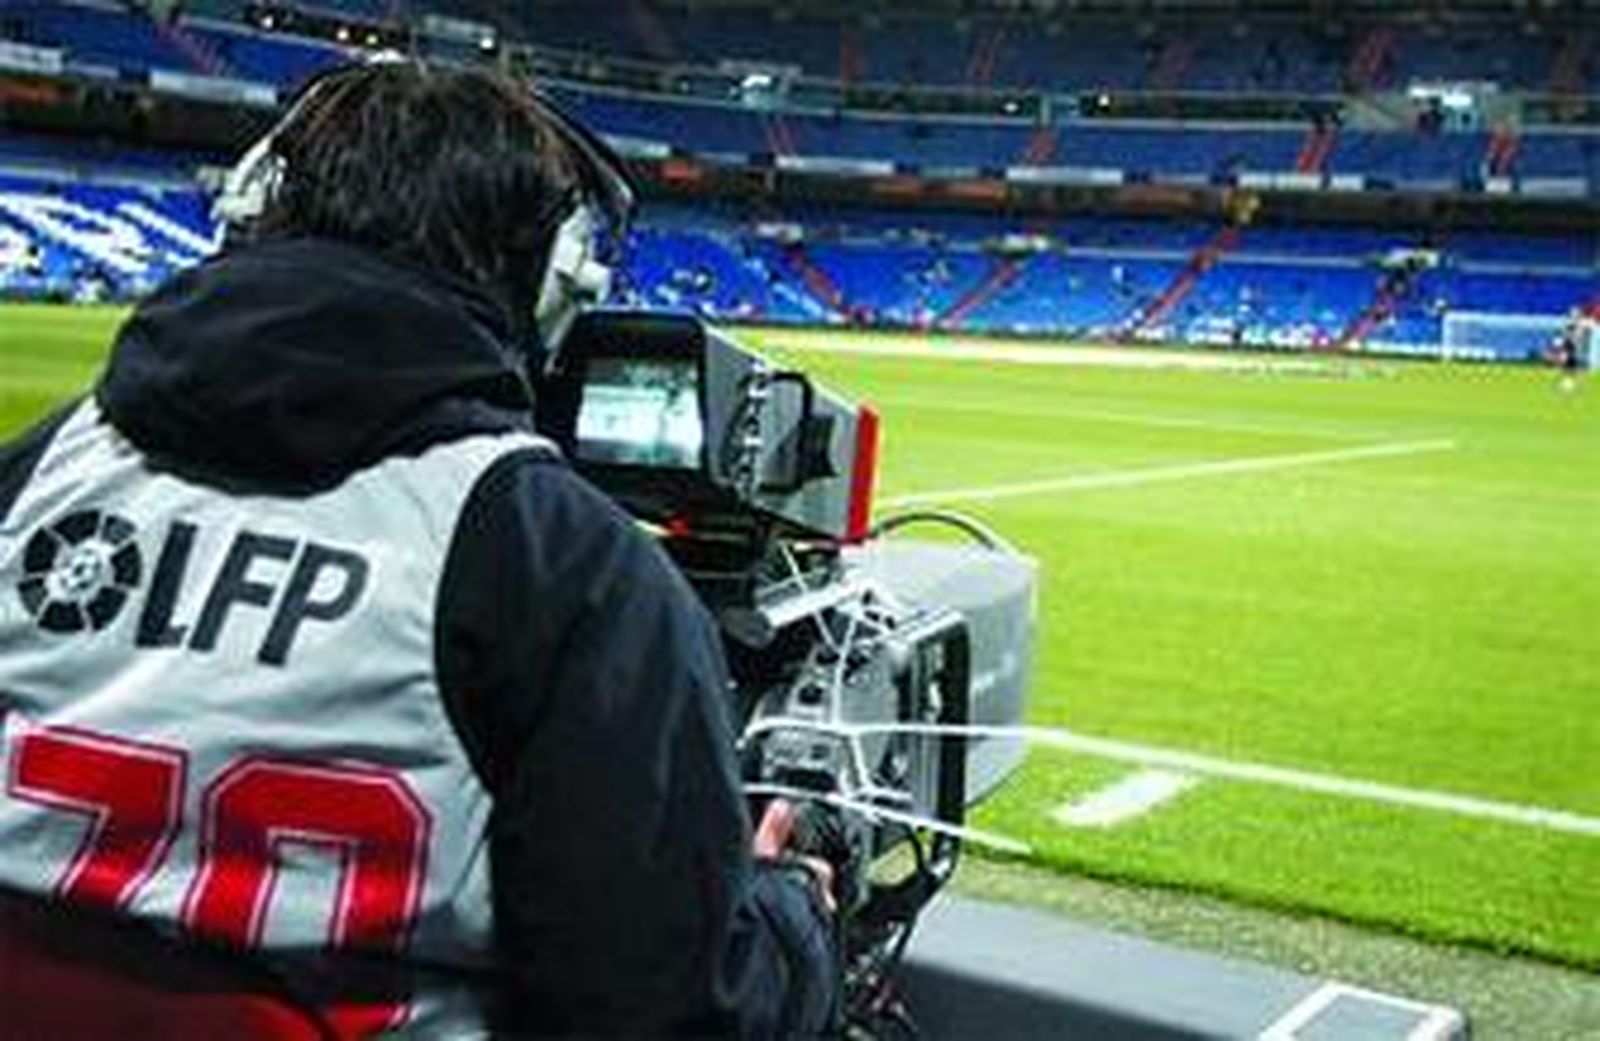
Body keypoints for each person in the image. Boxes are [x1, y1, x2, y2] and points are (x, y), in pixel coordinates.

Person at [0, 60, 839, 1037]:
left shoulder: (33, 474)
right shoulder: (561, 565)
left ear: (250, 204)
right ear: (556, 280)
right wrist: (795, 915)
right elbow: (670, 1011)